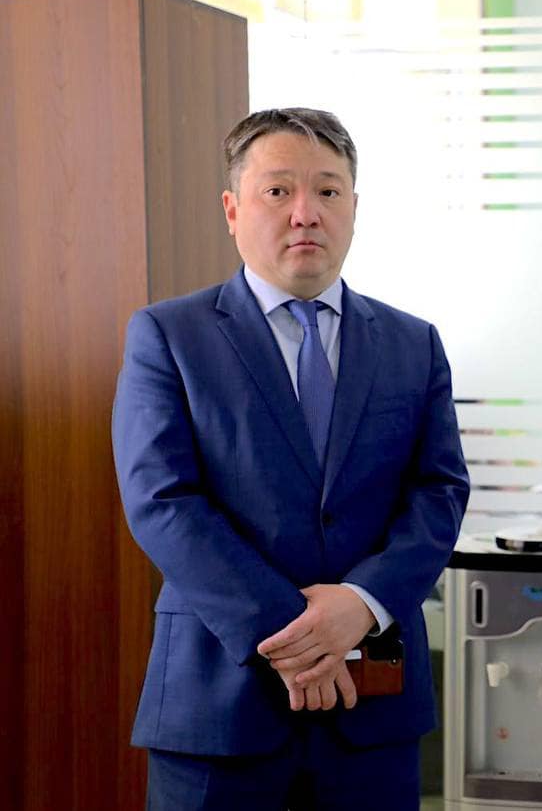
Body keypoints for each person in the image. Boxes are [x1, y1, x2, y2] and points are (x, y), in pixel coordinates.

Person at [112, 107, 469, 809]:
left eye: (328, 191)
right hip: (220, 702)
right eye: (278, 190)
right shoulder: (169, 335)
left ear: (354, 208)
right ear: (232, 209)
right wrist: (299, 636)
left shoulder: (413, 343)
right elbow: (163, 501)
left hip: (373, 709)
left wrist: (360, 606)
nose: (305, 212)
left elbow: (439, 492)